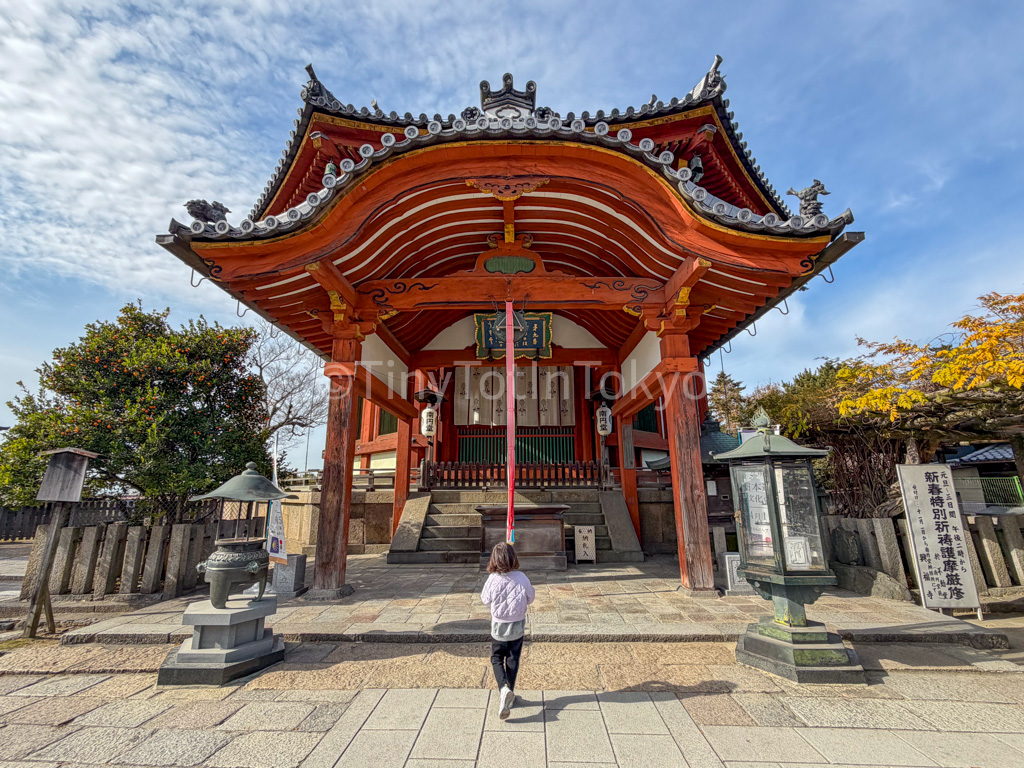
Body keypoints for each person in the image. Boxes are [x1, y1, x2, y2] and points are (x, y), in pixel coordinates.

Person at [480, 542, 535, 720]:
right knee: (513, 659)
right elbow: (530, 597)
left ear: (494, 559)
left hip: (499, 625)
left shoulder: (492, 578)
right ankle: (509, 692)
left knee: (497, 658)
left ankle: (503, 689)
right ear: (513, 558)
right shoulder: (522, 577)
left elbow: (485, 599)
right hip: (517, 624)